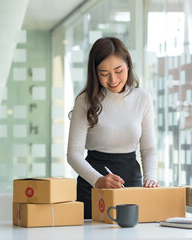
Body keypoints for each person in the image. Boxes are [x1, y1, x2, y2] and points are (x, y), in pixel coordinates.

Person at [67, 37, 159, 219]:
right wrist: (98, 180)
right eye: (104, 73)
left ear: (128, 65)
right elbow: (73, 153)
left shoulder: (143, 98)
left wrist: (150, 178)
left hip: (131, 183)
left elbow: (148, 149)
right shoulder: (85, 101)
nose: (113, 79)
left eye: (119, 71)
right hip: (93, 184)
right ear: (95, 73)